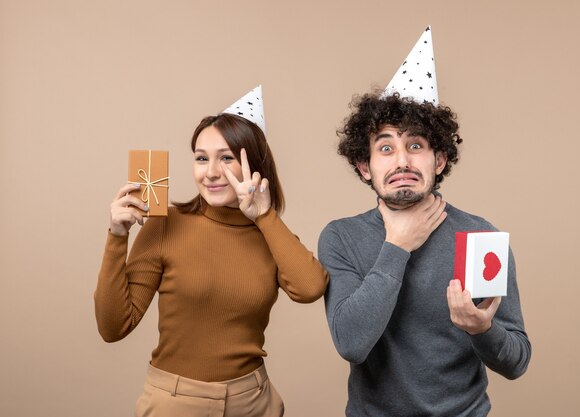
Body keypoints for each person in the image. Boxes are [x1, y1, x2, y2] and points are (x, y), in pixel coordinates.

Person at [94, 89, 329, 417]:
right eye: (202, 158)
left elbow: (310, 289)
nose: (212, 172)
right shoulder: (166, 225)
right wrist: (117, 237)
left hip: (254, 402)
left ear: (254, 166)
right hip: (174, 403)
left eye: (227, 157)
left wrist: (264, 216)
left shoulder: (269, 233)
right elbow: (113, 327)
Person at [318, 90, 531, 416]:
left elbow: (516, 362)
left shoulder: (480, 236)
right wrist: (398, 245)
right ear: (364, 166)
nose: (402, 161)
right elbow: (351, 344)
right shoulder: (342, 237)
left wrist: (481, 329)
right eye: (386, 148)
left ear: (439, 160)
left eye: (415, 146)